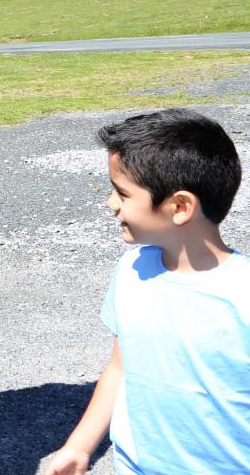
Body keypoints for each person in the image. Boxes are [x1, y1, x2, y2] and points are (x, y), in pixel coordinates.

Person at [43, 108, 248, 475]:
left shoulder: (242, 295)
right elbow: (120, 367)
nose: (111, 203)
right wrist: (79, 446)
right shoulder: (131, 270)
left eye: (122, 193)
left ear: (180, 207)